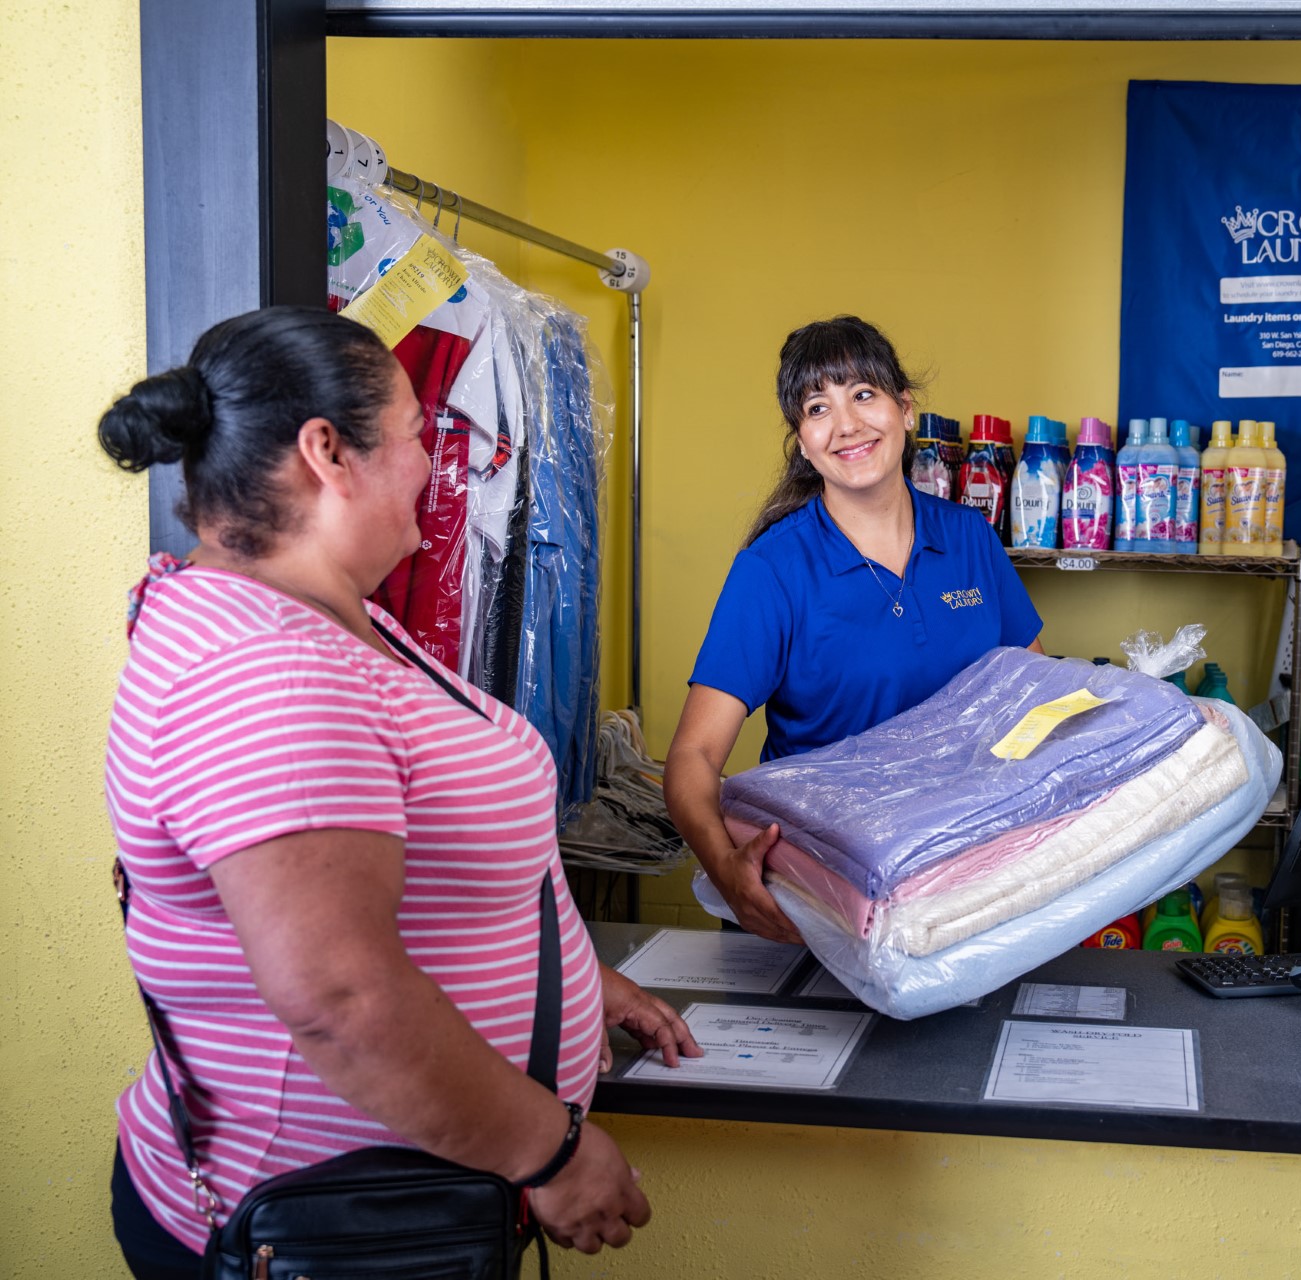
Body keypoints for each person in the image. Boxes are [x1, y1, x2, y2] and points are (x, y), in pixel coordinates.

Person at [98, 306, 701, 1279]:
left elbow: (417, 873)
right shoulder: (270, 671)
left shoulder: (320, 617)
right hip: (323, 1224)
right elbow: (340, 996)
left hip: (375, 1208)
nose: (435, 462)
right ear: (327, 452)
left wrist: (575, 981)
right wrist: (545, 1148)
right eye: (420, 434)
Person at [665, 316, 1044, 942]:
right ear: (803, 440)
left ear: (906, 410)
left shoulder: (970, 539)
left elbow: (1033, 701)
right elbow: (694, 756)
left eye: (863, 394)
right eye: (819, 407)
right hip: (819, 894)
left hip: (957, 881)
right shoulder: (774, 569)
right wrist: (725, 868)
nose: (846, 424)